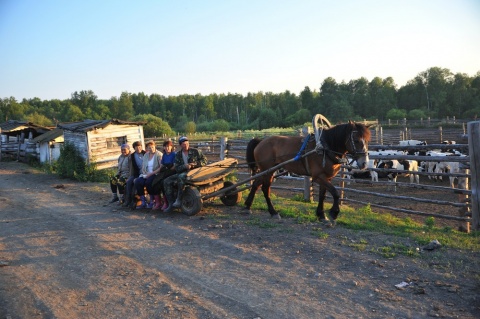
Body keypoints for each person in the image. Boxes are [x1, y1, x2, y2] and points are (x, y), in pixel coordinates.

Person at [163, 136, 207, 213]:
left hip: (195, 172)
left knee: (180, 177)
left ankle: (179, 199)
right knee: (166, 181)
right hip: (184, 172)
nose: (186, 145)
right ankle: (171, 204)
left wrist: (195, 164)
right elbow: (177, 168)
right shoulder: (178, 155)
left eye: (187, 143)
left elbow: (204, 160)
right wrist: (185, 166)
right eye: (183, 144)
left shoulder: (195, 151)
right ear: (180, 145)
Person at [133, 140, 163, 209]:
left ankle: (152, 201)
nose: (151, 149)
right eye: (149, 148)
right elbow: (143, 166)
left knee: (148, 182)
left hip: (155, 173)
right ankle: (143, 201)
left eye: (152, 147)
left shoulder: (159, 154)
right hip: (146, 174)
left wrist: (151, 173)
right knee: (138, 181)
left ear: (155, 146)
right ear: (147, 149)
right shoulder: (146, 155)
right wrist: (145, 173)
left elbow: (160, 167)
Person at [151, 140, 176, 210]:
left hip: (171, 171)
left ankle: (167, 203)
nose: (167, 148)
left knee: (163, 183)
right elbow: (161, 166)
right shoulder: (164, 155)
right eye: (165, 146)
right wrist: (153, 173)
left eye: (168, 146)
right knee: (155, 182)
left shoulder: (174, 154)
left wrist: (168, 169)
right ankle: (159, 203)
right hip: (164, 171)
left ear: (171, 147)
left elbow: (174, 166)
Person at [123, 141, 145, 208]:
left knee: (135, 182)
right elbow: (131, 167)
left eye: (139, 147)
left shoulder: (145, 153)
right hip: (137, 173)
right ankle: (128, 200)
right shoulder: (132, 156)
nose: (138, 148)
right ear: (134, 148)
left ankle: (135, 200)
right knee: (129, 182)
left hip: (145, 173)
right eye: (136, 147)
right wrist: (130, 176)